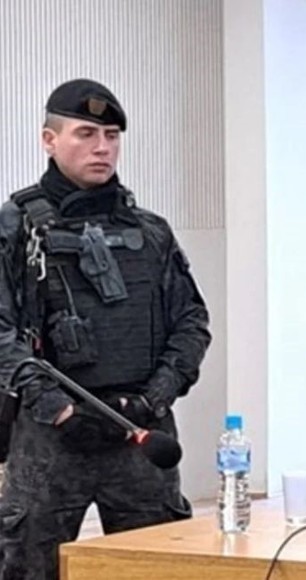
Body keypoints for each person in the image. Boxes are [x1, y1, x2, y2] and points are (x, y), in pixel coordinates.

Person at [0, 79, 211, 579]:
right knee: (29, 568)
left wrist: (153, 398)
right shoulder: (14, 228)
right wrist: (57, 407)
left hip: (138, 433)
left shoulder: (150, 231)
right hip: (51, 436)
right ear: (49, 140)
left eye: (112, 135)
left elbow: (191, 322)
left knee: (156, 568)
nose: (102, 147)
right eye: (86, 133)